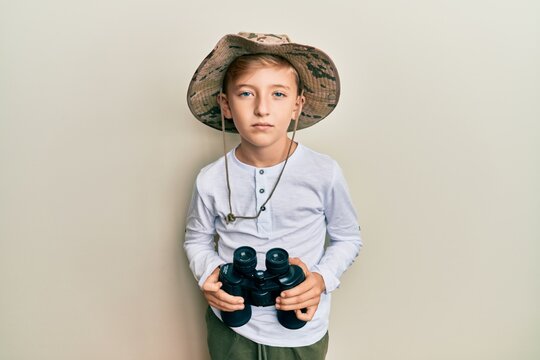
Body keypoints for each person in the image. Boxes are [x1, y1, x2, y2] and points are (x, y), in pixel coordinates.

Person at [184, 32, 363, 360]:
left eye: (278, 94)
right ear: (225, 104)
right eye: (246, 93)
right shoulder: (210, 179)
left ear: (298, 105)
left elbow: (348, 238)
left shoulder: (323, 172)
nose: (262, 108)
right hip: (231, 328)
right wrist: (210, 273)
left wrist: (321, 279)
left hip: (301, 329)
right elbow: (196, 240)